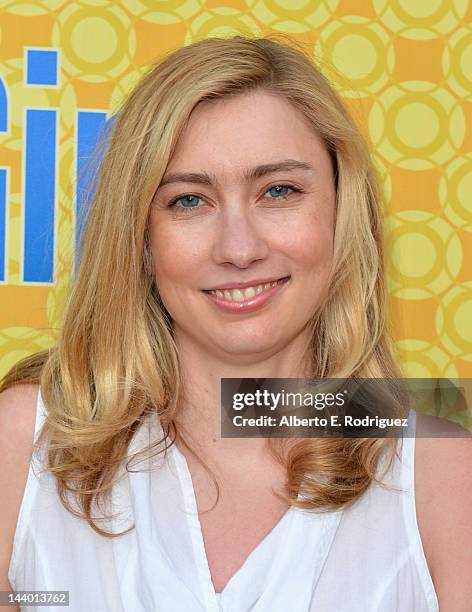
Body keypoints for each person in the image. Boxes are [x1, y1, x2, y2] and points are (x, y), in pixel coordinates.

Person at [0, 35, 471, 612]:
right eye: (189, 201)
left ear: (342, 216)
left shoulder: (442, 468)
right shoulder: (26, 442)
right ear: (139, 237)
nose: (239, 248)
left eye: (279, 191)